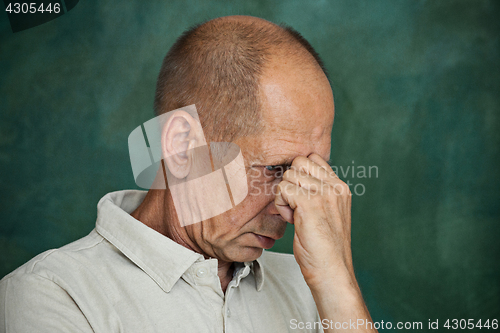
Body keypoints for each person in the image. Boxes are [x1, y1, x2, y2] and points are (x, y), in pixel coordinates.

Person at [0, 16, 376, 333]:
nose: (291, 207)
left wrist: (338, 285)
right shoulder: (53, 293)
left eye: (312, 173)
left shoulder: (312, 283)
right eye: (276, 169)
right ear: (182, 146)